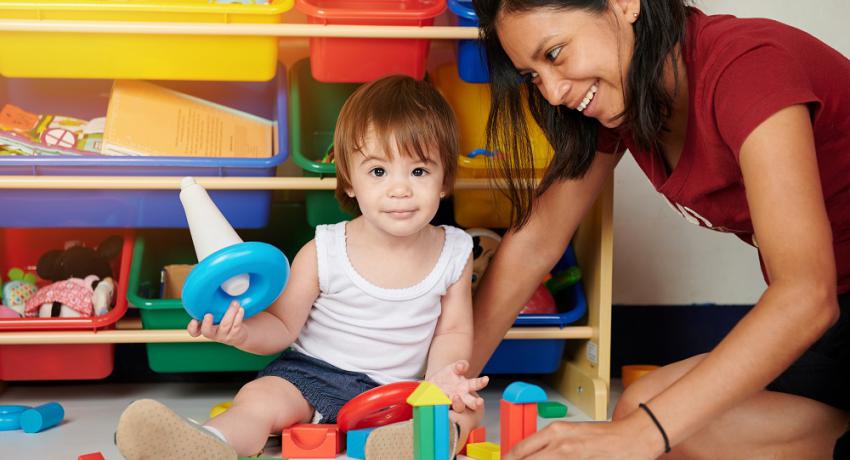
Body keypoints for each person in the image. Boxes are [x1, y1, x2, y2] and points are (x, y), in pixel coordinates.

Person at [468, 0, 850, 458]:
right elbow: (535, 243)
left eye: (553, 55)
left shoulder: (748, 68)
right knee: (641, 408)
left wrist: (643, 435)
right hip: (835, 331)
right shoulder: (628, 98)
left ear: (625, 4)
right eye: (533, 76)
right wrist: (440, 382)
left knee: (650, 430)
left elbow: (807, 295)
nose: (551, 93)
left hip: (823, 310)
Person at [115, 75, 489, 460]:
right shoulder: (323, 250)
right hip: (311, 376)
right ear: (349, 181)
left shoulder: (454, 251)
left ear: (444, 179)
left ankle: (411, 444)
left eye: (419, 171)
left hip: (399, 392)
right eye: (378, 172)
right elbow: (280, 328)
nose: (400, 189)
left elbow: (455, 330)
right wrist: (239, 332)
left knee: (466, 409)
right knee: (259, 399)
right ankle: (208, 443)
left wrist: (443, 377)